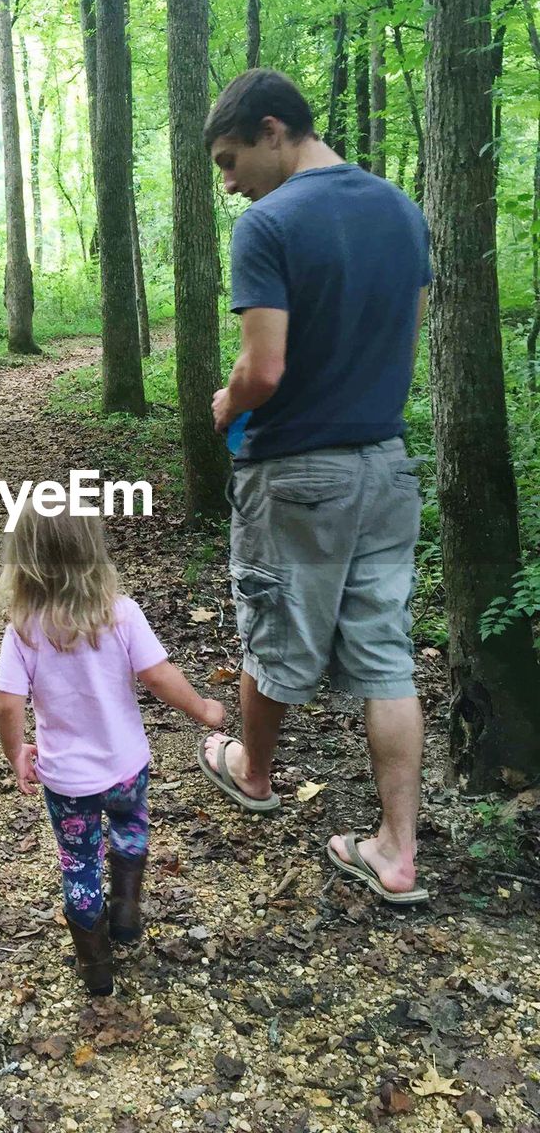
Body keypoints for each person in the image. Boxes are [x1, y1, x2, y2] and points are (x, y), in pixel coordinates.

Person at [198, 68, 430, 906]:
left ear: (273, 130)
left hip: (297, 470)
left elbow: (264, 368)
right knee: (384, 653)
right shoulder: (403, 211)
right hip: (385, 465)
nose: (230, 184)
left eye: (231, 161)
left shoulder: (270, 224)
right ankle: (396, 852)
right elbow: (402, 341)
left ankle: (253, 772)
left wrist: (228, 400)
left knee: (274, 627)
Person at [0, 504, 226, 995]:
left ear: (24, 559)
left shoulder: (23, 629)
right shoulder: (120, 613)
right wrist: (202, 709)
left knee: (78, 863)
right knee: (130, 831)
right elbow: (158, 676)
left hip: (67, 781)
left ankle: (95, 967)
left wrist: (16, 753)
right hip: (126, 769)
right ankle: (125, 910)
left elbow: (7, 702)